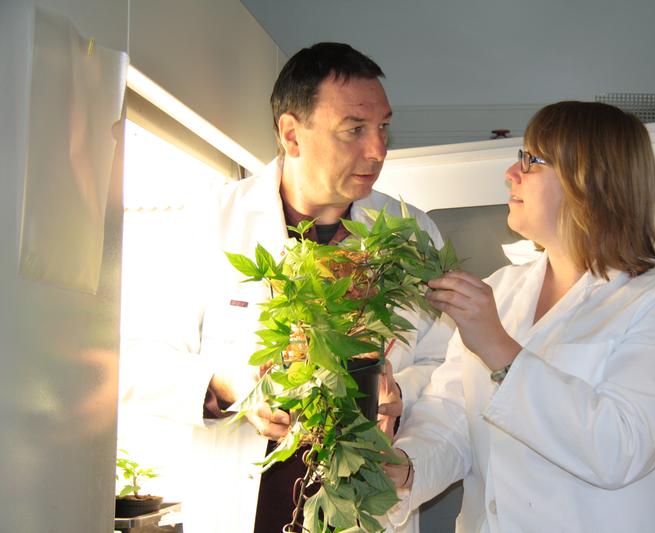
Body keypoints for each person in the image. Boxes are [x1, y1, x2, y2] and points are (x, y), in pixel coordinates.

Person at [119, 42, 453, 533]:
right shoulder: (210, 222)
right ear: (291, 134)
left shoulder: (413, 232)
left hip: (365, 510)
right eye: (354, 130)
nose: (378, 149)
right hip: (247, 509)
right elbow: (133, 358)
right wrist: (228, 386)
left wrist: (400, 388)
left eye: (383, 127)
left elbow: (447, 368)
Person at [385, 101, 655, 532]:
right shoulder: (503, 291)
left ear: (590, 181)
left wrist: (498, 348)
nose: (511, 173)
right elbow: (452, 418)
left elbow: (619, 447)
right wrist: (406, 466)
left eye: (531, 160)